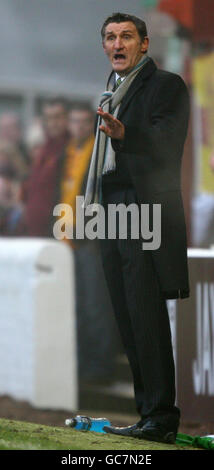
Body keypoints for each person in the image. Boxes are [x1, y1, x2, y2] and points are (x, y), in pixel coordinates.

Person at [83, 12, 190, 443]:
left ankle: (162, 416)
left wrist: (127, 135)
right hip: (110, 210)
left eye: (127, 36)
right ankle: (146, 413)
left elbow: (168, 143)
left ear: (144, 44)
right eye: (110, 37)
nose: (117, 43)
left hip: (143, 210)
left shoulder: (165, 86)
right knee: (127, 317)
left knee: (145, 313)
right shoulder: (111, 92)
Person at [19, 96, 70, 236]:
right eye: (48, 118)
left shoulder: (70, 149)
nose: (53, 123)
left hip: (56, 230)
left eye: (58, 117)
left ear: (67, 118)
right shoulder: (44, 148)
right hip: (33, 229)